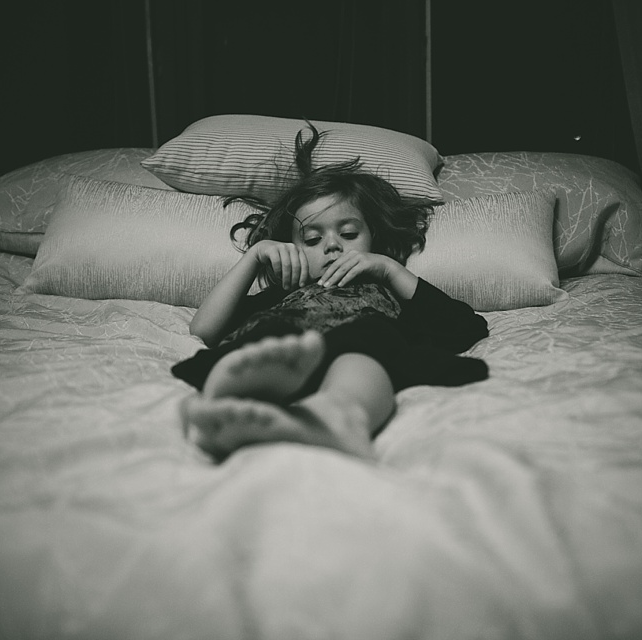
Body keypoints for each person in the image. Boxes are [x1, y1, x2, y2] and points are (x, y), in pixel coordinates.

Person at [172, 123, 489, 462]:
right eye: (312, 240)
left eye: (349, 233)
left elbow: (464, 327)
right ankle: (242, 402)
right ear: (291, 248)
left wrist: (390, 269)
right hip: (284, 352)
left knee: (368, 339)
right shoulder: (281, 296)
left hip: (359, 350)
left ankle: (340, 415)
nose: (333, 245)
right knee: (266, 336)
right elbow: (203, 330)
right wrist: (255, 255)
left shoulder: (386, 288)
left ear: (374, 240)